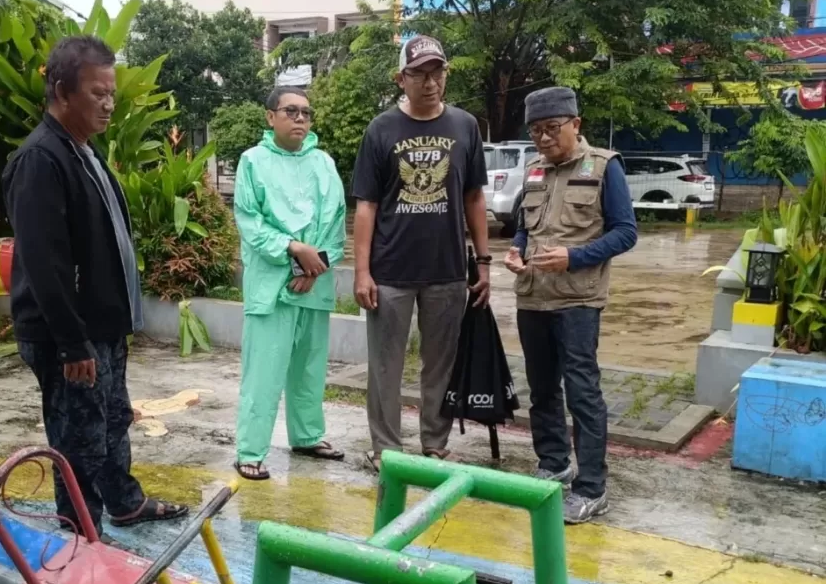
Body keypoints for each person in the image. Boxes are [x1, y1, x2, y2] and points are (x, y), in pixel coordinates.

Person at [3, 35, 189, 538]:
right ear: (62, 92)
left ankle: (123, 503)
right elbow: (44, 264)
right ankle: (80, 534)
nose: (109, 104)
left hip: (101, 329)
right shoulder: (41, 160)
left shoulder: (82, 150)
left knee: (111, 419)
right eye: (97, 93)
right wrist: (71, 342)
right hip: (71, 337)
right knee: (79, 437)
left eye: (112, 93)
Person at [352, 35, 491, 472]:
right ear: (401, 78)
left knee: (441, 366)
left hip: (447, 270)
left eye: (437, 72)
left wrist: (483, 263)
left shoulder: (465, 126)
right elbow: (367, 205)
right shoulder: (381, 129)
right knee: (386, 366)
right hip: (390, 270)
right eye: (420, 73)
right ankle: (387, 448)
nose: (430, 82)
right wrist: (361, 271)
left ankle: (435, 441)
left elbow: (473, 197)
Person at [504, 86, 637, 524]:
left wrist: (574, 257)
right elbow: (525, 227)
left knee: (582, 392)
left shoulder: (604, 167)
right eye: (536, 131)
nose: (543, 139)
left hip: (578, 300)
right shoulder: (534, 172)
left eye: (552, 129)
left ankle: (591, 488)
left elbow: (625, 232)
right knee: (541, 389)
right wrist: (516, 252)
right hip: (533, 298)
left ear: (575, 124)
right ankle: (554, 463)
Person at [233, 86, 347, 481]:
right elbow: (250, 223)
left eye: (306, 113)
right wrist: (294, 249)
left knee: (309, 368)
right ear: (270, 117)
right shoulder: (253, 162)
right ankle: (250, 450)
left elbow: (335, 223)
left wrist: (311, 270)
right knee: (263, 371)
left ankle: (308, 436)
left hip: (314, 284)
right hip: (270, 287)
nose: (300, 118)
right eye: (291, 111)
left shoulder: (323, 163)